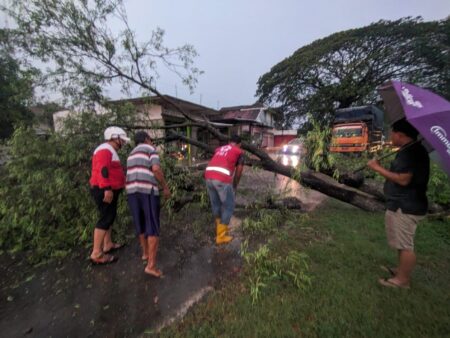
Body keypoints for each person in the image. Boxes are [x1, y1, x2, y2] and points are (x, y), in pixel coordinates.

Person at [367, 118, 430, 289]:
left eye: (391, 132)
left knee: (405, 245)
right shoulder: (409, 149)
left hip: (406, 205)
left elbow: (403, 180)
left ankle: (402, 281)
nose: (390, 135)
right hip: (405, 203)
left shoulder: (411, 152)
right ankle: (400, 270)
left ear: (400, 134)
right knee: (402, 243)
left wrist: (376, 168)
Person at [126, 131, 170, 277]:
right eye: (151, 140)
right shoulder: (150, 149)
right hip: (147, 191)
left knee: (141, 224)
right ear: (146, 139)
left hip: (132, 192)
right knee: (152, 226)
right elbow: (156, 169)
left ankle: (145, 254)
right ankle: (151, 266)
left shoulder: (131, 154)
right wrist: (164, 186)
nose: (152, 142)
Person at [89, 126, 130, 264]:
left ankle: (107, 244)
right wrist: (107, 188)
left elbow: (113, 169)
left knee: (110, 217)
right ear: (114, 137)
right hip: (104, 190)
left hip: (110, 189)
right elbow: (103, 170)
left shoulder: (110, 150)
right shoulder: (104, 149)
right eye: (122, 140)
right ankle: (96, 253)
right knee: (105, 218)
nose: (123, 143)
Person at [204, 135, 244, 245]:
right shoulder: (239, 151)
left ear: (229, 142)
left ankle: (220, 229)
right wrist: (235, 185)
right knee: (229, 206)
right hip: (222, 179)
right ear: (239, 144)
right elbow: (239, 170)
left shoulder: (220, 149)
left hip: (208, 176)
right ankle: (221, 236)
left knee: (216, 204)